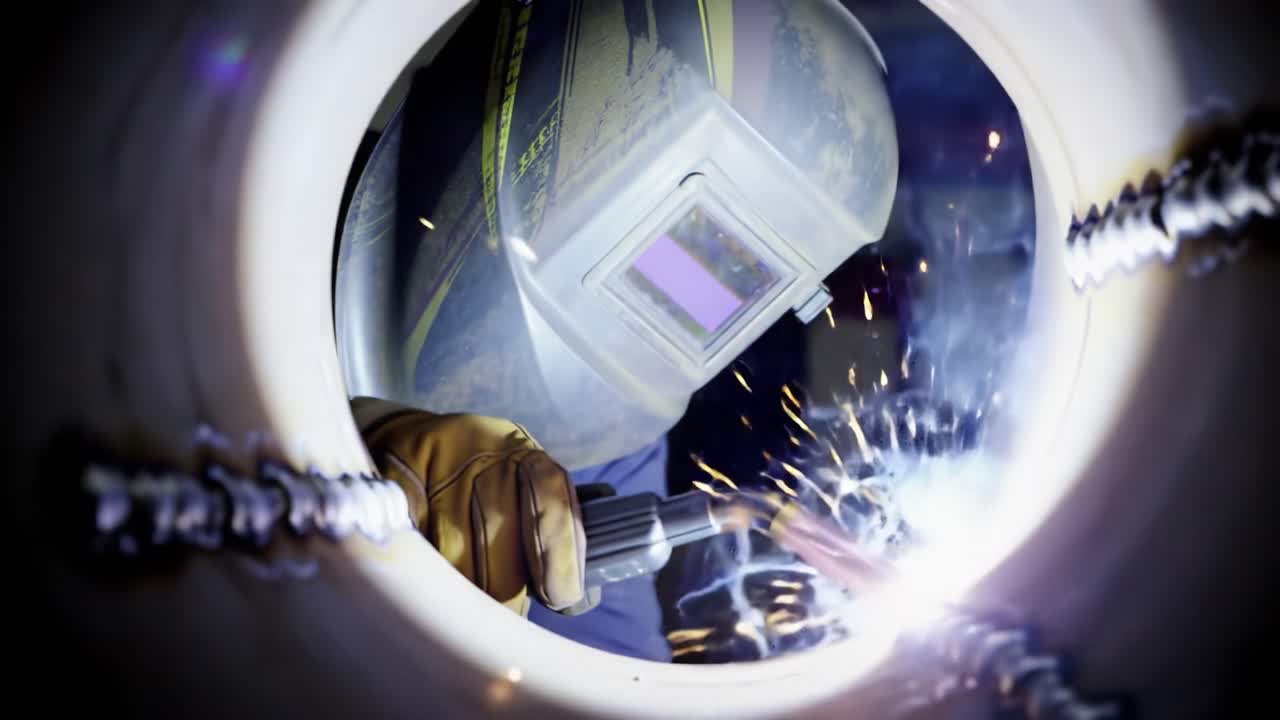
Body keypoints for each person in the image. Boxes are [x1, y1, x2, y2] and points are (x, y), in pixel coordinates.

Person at [334, 0, 896, 663]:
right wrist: (351, 442)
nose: (690, 289)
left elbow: (613, 669)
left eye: (729, 279)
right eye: (687, 254)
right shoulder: (248, 211)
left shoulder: (605, 440)